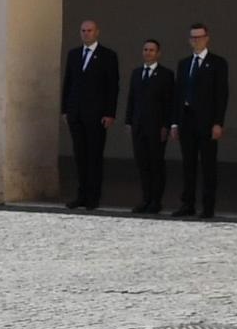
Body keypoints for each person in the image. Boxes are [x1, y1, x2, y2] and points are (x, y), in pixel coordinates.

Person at [60, 19, 118, 210]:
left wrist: (110, 113)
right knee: (80, 156)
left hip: (97, 114)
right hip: (76, 113)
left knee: (94, 155)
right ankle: (81, 195)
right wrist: (65, 109)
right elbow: (68, 83)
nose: (86, 33)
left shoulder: (108, 56)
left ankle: (94, 196)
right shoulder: (74, 54)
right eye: (83, 30)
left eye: (89, 30)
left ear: (97, 32)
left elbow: (112, 86)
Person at [175, 22, 228, 219]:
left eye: (199, 37)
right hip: (186, 120)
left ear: (207, 38)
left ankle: (207, 207)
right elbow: (178, 94)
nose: (196, 41)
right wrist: (175, 122)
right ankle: (187, 203)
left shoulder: (217, 63)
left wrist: (218, 122)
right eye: (193, 38)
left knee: (208, 165)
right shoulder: (184, 64)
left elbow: (221, 95)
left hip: (207, 121)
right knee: (188, 165)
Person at [126, 39, 176, 215]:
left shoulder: (166, 75)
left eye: (152, 50)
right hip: (139, 125)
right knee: (142, 164)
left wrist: (166, 125)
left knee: (156, 164)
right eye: (145, 49)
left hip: (157, 126)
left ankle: (156, 201)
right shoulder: (136, 73)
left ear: (158, 53)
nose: (148, 53)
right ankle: (145, 199)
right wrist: (129, 121)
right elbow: (131, 99)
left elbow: (170, 102)